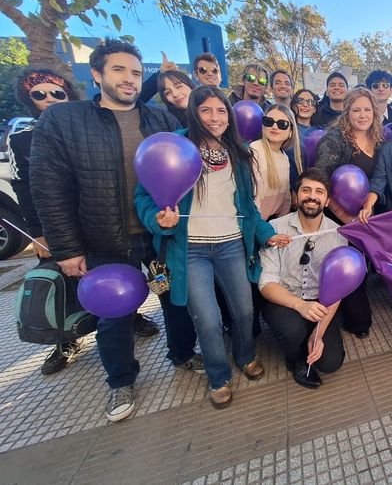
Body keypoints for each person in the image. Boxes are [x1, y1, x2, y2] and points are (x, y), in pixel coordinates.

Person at [31, 38, 199, 422]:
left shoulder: (160, 120)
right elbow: (48, 188)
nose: (129, 79)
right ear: (96, 74)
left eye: (136, 73)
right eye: (119, 70)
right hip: (107, 244)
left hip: (156, 240)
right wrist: (66, 249)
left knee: (170, 299)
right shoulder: (64, 120)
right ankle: (121, 380)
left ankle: (183, 354)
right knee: (115, 314)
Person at [135, 86, 291, 409]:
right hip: (189, 251)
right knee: (206, 318)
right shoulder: (175, 147)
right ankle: (218, 377)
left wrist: (265, 234)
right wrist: (158, 220)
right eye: (206, 110)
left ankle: (245, 356)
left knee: (245, 310)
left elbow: (247, 207)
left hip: (232, 245)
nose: (215, 118)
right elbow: (144, 199)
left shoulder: (239, 151)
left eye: (221, 111)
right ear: (194, 112)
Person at [10, 67, 82, 375]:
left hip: (95, 218)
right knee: (61, 282)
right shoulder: (23, 139)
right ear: (29, 99)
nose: (49, 99)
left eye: (57, 93)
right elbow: (23, 187)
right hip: (54, 225)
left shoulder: (86, 128)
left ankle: (130, 318)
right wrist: (38, 233)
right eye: (40, 94)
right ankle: (63, 342)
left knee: (112, 273)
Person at [259, 168, 348, 389]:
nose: (312, 196)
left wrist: (319, 333)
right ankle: (295, 358)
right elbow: (266, 283)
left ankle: (310, 335)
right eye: (306, 190)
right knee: (292, 330)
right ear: (295, 195)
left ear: (327, 201)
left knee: (331, 363)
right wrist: (300, 306)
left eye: (319, 192)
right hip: (285, 300)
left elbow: (337, 290)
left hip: (320, 305)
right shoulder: (275, 229)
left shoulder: (338, 235)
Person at [314, 87, 382, 337]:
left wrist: (369, 206)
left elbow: (378, 178)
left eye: (367, 109)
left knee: (361, 264)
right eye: (356, 110)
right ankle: (349, 320)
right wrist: (344, 218)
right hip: (338, 218)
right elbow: (320, 185)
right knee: (346, 266)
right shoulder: (335, 140)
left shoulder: (378, 139)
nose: (362, 115)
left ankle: (352, 316)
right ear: (347, 113)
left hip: (365, 215)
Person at [251, 104, 303, 220]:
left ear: (291, 131)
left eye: (282, 124)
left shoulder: (284, 158)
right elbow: (251, 201)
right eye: (268, 121)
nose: (274, 127)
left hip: (271, 225)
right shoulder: (254, 151)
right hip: (255, 226)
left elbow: (285, 201)